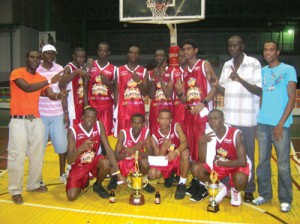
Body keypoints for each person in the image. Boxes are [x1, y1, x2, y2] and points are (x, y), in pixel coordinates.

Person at [8, 50, 67, 204]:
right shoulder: (17, 73)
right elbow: (27, 87)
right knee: (18, 156)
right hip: (19, 121)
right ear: (26, 58)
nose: (35, 60)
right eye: (32, 57)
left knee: (37, 155)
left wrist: (58, 96)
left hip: (36, 120)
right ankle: (15, 189)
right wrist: (50, 81)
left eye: (37, 58)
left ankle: (33, 184)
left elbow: (48, 94)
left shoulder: (40, 78)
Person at [215, 35, 262, 203]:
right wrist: (215, 84)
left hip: (248, 119)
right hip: (230, 119)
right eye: (230, 46)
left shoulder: (254, 63)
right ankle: (230, 185)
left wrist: (240, 79)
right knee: (229, 155)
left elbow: (259, 90)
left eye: (236, 45)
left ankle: (249, 188)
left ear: (242, 46)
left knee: (248, 156)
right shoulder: (227, 65)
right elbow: (224, 91)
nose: (233, 48)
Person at [252, 40, 297, 213]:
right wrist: (258, 120)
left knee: (283, 164)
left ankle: (285, 198)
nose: (268, 52)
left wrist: (280, 123)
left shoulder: (288, 70)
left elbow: (292, 98)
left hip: (281, 125)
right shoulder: (261, 72)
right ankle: (265, 194)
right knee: (262, 161)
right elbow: (262, 97)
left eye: (271, 49)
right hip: (263, 123)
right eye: (265, 50)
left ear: (277, 52)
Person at [174, 39, 218, 194]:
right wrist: (179, 92)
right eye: (184, 49)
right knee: (192, 148)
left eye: (188, 49)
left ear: (195, 50)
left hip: (204, 114)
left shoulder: (204, 64)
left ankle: (205, 181)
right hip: (190, 115)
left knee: (203, 148)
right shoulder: (184, 72)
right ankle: (196, 179)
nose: (186, 52)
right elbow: (184, 100)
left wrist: (204, 102)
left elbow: (215, 87)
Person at [190, 109, 251, 206]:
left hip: (236, 167)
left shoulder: (235, 133)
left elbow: (242, 162)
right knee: (195, 169)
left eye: (216, 118)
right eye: (210, 119)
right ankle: (220, 186)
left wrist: (222, 163)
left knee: (240, 180)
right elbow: (203, 161)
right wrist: (201, 143)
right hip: (219, 168)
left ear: (223, 120)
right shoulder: (208, 133)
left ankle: (235, 191)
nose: (212, 121)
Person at [66, 106, 126, 201]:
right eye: (88, 116)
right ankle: (84, 179)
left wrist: (118, 173)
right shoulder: (73, 131)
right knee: (71, 196)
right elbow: (69, 160)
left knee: (106, 163)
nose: (91, 119)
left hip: (94, 161)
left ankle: (98, 184)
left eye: (93, 117)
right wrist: (81, 148)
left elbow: (109, 150)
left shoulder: (99, 126)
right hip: (79, 165)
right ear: (82, 117)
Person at [37, 45, 68, 184]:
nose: (50, 55)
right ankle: (38, 177)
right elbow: (35, 90)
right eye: (47, 53)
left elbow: (63, 92)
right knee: (39, 148)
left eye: (53, 53)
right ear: (42, 55)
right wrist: (52, 91)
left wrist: (65, 112)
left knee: (62, 146)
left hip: (57, 114)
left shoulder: (60, 69)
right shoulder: (36, 70)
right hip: (40, 115)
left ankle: (62, 173)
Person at [148, 109, 190, 200]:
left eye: (167, 119)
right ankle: (169, 174)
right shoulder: (154, 136)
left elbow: (185, 142)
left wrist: (176, 152)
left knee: (186, 152)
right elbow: (158, 158)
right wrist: (163, 149)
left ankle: (182, 183)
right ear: (158, 119)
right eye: (162, 119)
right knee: (152, 174)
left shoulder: (176, 127)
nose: (164, 121)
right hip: (165, 162)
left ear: (171, 120)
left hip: (178, 159)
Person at [112, 113, 155, 193]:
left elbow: (150, 153)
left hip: (136, 162)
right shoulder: (123, 133)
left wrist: (134, 151)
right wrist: (127, 154)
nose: (136, 125)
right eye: (134, 123)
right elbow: (116, 155)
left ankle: (142, 180)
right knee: (111, 165)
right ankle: (115, 178)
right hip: (124, 162)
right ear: (131, 123)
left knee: (145, 162)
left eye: (139, 123)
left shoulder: (146, 132)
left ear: (143, 124)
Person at [114, 45, 149, 136]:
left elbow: (145, 93)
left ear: (139, 55)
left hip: (138, 110)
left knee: (139, 136)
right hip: (123, 110)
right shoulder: (119, 70)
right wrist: (115, 109)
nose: (134, 55)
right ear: (128, 55)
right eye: (132, 53)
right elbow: (116, 91)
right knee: (122, 137)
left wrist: (139, 81)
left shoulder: (144, 71)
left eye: (136, 53)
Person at [86, 42, 116, 136]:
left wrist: (108, 83)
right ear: (97, 52)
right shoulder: (90, 65)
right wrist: (86, 105)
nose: (102, 53)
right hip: (92, 106)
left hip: (107, 107)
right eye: (100, 50)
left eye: (105, 51)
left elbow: (116, 90)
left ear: (109, 53)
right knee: (91, 134)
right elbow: (84, 86)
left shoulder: (114, 69)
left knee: (105, 135)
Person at [59, 47, 89, 127]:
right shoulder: (68, 68)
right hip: (72, 110)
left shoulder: (81, 68)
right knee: (72, 134)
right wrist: (76, 72)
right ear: (73, 56)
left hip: (80, 108)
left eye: (83, 57)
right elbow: (61, 84)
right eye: (79, 57)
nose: (81, 59)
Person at [148, 49, 173, 134]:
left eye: (161, 55)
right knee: (154, 133)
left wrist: (160, 77)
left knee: (168, 132)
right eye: (157, 56)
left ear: (165, 59)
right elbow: (151, 95)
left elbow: (168, 95)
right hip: (155, 108)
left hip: (168, 107)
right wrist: (153, 78)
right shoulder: (150, 73)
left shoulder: (171, 72)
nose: (159, 57)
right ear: (154, 58)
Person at [172, 49, 188, 126]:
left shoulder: (192, 71)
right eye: (179, 56)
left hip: (189, 106)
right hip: (178, 107)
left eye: (183, 56)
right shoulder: (174, 72)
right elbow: (168, 94)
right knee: (178, 132)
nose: (181, 58)